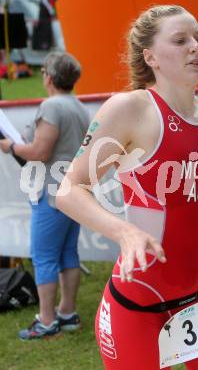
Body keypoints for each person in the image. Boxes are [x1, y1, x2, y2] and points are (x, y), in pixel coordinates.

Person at [55, 5, 198, 370]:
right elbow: (69, 189)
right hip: (138, 301)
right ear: (150, 56)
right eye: (181, 40)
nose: (196, 47)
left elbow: (188, 172)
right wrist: (125, 233)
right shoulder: (128, 109)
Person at [0, 52, 90, 340]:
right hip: (72, 190)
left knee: (44, 256)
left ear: (49, 77)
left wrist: (10, 146)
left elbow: (39, 152)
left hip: (51, 192)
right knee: (67, 254)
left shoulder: (52, 106)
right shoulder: (77, 106)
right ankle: (67, 313)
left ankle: (47, 319)